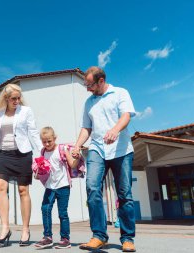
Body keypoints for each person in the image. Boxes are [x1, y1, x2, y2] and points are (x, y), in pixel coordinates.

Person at [71, 66, 136, 252]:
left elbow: (126, 116)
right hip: (97, 149)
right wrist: (77, 146)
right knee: (92, 187)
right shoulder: (88, 103)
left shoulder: (120, 93)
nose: (87, 89)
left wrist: (115, 130)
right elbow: (86, 128)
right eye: (85, 85)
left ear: (101, 81)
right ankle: (99, 235)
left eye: (90, 85)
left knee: (124, 194)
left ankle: (127, 238)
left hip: (121, 150)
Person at [0, 83, 43, 247]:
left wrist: (42, 152)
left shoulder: (26, 111)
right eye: (14, 98)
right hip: (5, 154)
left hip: (23, 154)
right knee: (0, 186)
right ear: (6, 98)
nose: (17, 101)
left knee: (23, 190)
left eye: (19, 98)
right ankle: (5, 228)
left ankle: (25, 229)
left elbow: (33, 132)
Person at [34, 127, 80, 249]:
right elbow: (43, 169)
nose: (47, 144)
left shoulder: (62, 149)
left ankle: (65, 239)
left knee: (62, 213)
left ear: (54, 138)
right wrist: (38, 172)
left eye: (49, 141)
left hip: (63, 186)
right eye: (44, 141)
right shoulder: (43, 152)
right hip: (50, 186)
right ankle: (47, 237)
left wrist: (77, 156)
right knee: (45, 209)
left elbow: (72, 164)